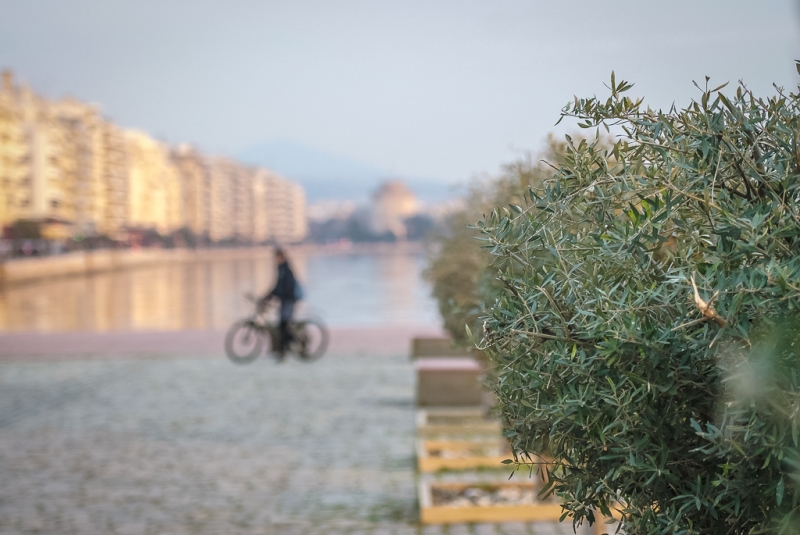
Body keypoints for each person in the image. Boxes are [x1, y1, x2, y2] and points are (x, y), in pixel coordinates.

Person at [260, 248, 300, 358]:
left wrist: (275, 295)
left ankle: (285, 349)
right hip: (284, 300)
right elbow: (277, 286)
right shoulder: (281, 269)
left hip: (289, 300)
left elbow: (285, 287)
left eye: (277, 257)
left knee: (283, 326)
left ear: (281, 257)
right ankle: (283, 350)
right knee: (282, 325)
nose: (275, 260)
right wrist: (268, 296)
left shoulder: (286, 270)